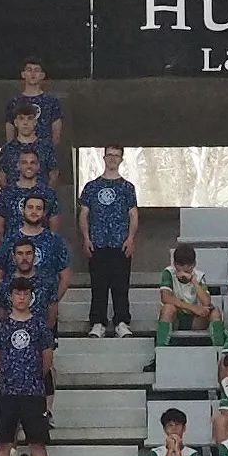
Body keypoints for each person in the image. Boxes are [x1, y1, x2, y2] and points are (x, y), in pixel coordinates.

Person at [0, 278, 55, 456]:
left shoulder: (40, 326)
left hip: (34, 392)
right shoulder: (0, 326)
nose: (21, 297)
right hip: (7, 391)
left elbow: (47, 359)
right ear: (11, 296)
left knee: (38, 442)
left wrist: (32, 376)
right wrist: (9, 373)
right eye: (17, 293)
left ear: (31, 297)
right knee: (3, 442)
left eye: (25, 294)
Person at [80, 144, 141, 338]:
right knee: (98, 285)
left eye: (117, 156)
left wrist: (131, 239)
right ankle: (98, 322)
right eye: (110, 155)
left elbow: (133, 215)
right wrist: (86, 238)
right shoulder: (91, 187)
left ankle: (121, 322)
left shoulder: (127, 187)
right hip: (97, 243)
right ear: (104, 158)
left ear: (121, 159)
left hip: (120, 244)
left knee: (121, 285)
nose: (113, 158)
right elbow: (84, 214)